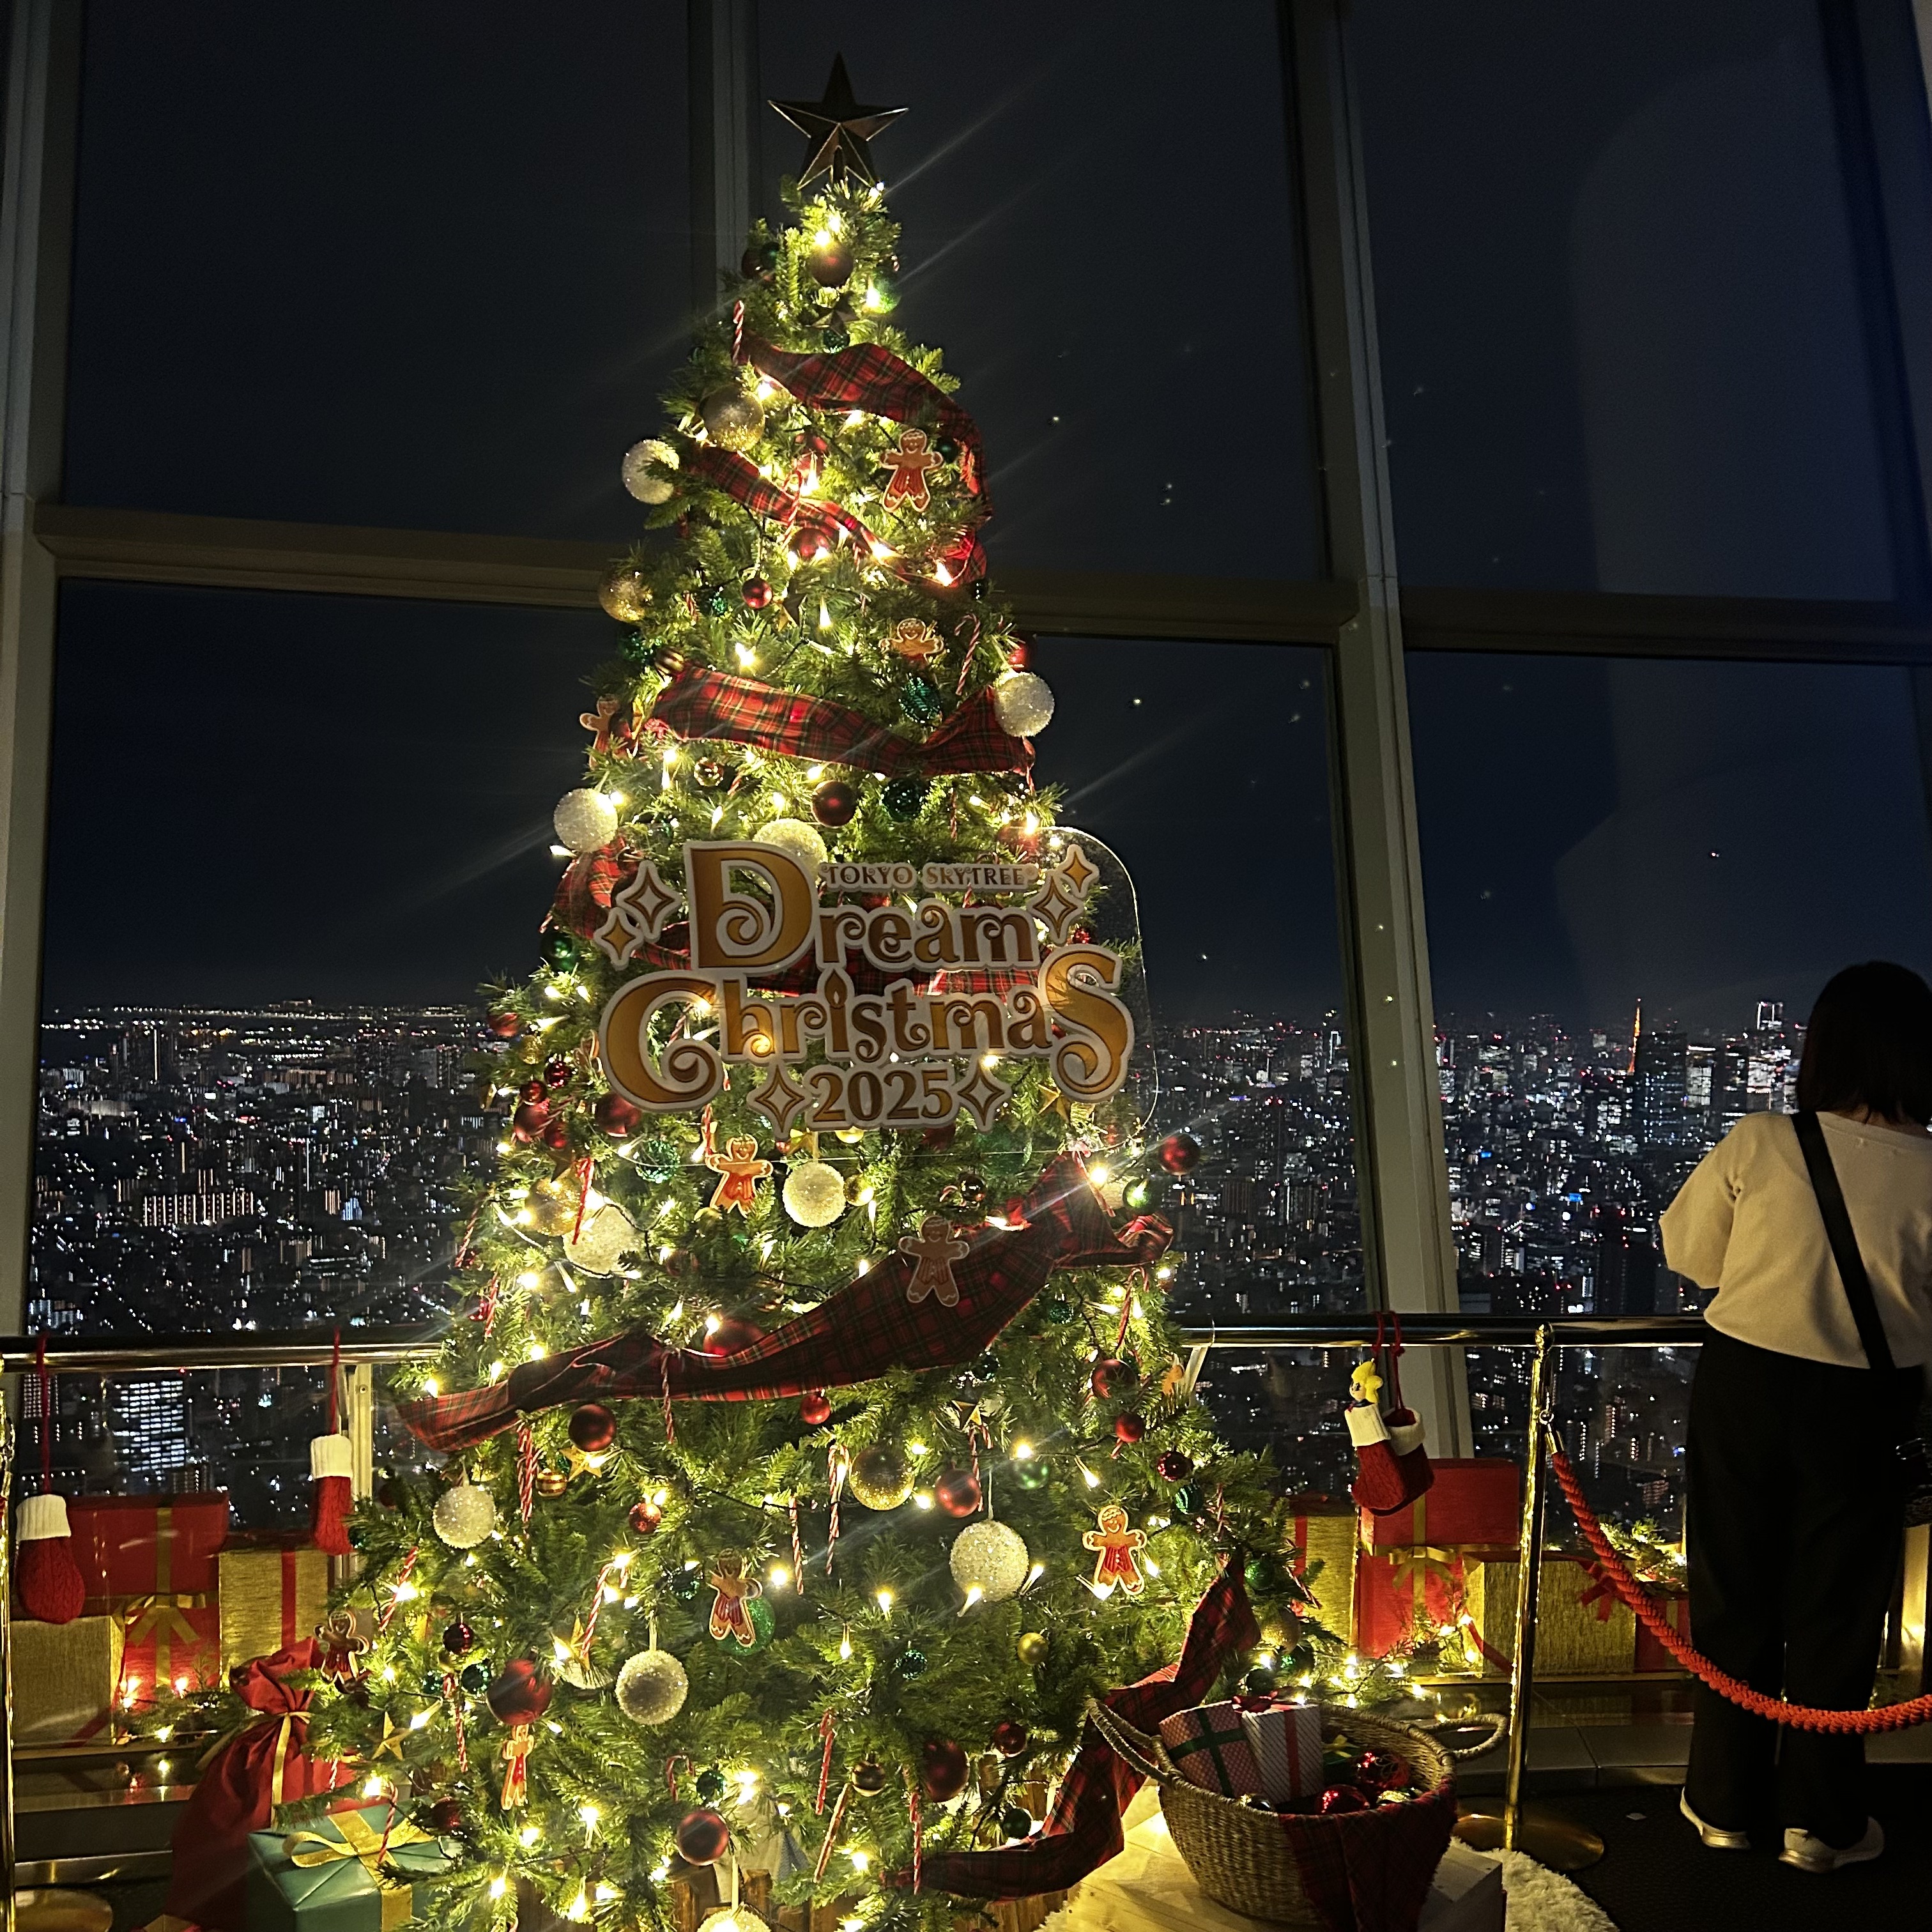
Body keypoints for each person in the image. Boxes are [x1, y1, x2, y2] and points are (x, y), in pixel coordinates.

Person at [1660, 961, 1932, 1873]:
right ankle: (1823, 1823)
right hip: (1864, 1404)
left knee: (1732, 1594)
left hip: (1746, 1387)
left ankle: (1724, 1803)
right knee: (1840, 1609)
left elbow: (1690, 1253)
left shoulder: (1765, 1142)